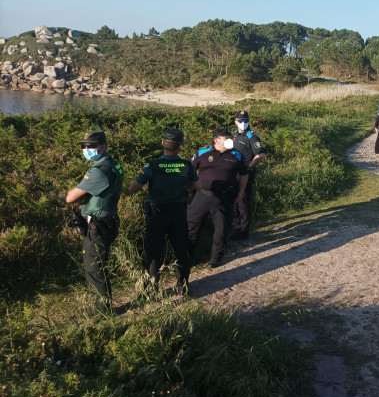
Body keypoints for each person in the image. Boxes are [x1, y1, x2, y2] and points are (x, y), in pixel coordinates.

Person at [128, 129, 201, 296]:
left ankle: (152, 287)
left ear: (163, 143)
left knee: (154, 251)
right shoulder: (185, 165)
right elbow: (198, 186)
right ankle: (183, 286)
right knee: (181, 250)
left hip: (157, 214)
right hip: (179, 213)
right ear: (180, 146)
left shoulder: (152, 165)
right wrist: (183, 184)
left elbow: (133, 188)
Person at [65, 130, 124, 313]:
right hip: (109, 219)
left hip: (98, 224)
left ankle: (102, 311)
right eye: (84, 146)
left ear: (103, 146)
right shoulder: (114, 165)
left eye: (91, 145)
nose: (86, 149)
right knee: (99, 265)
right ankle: (103, 305)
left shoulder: (99, 171)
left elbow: (70, 197)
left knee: (94, 268)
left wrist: (78, 197)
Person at [187, 128, 248, 268]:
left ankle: (216, 258)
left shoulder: (237, 155)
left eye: (230, 137)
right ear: (216, 140)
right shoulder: (201, 153)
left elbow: (244, 174)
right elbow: (190, 172)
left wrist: (240, 194)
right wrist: (190, 187)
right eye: (226, 138)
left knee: (221, 229)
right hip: (202, 196)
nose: (229, 140)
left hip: (224, 197)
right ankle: (187, 256)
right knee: (191, 226)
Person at [230, 110, 266, 240]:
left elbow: (261, 154)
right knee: (234, 200)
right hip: (233, 173)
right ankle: (235, 228)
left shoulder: (252, 136)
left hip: (245, 174)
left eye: (246, 121)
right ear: (235, 121)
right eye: (240, 121)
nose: (243, 123)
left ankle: (243, 232)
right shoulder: (234, 135)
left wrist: (248, 167)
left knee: (243, 201)